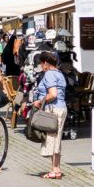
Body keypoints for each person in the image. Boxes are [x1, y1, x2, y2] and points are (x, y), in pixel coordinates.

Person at [32, 51, 67, 179]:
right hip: (61, 108)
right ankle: (56, 169)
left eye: (41, 63)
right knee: (56, 138)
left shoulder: (49, 74)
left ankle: (54, 169)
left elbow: (53, 94)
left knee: (52, 139)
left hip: (53, 109)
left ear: (46, 63)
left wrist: (40, 101)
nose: (41, 66)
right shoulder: (59, 73)